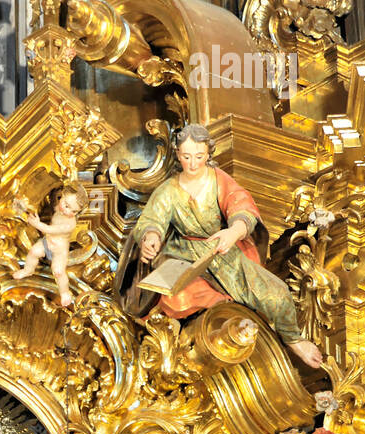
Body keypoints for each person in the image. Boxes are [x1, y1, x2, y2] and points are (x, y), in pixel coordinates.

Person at [115, 123, 323, 369]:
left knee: (276, 294)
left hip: (223, 250)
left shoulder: (219, 180)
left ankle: (294, 339)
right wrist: (152, 238)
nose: (192, 164)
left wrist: (233, 232)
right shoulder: (168, 191)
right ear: (178, 154)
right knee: (179, 298)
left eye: (199, 157)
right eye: (186, 157)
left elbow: (241, 205)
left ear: (208, 154)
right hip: (184, 255)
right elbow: (153, 220)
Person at [13, 188, 85, 308]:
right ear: (61, 196)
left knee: (58, 272)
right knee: (33, 252)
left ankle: (65, 292)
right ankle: (28, 270)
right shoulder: (58, 208)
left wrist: (37, 224)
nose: (67, 211)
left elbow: (50, 229)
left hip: (59, 251)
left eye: (74, 211)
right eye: (66, 205)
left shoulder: (69, 223)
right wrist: (24, 207)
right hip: (47, 242)